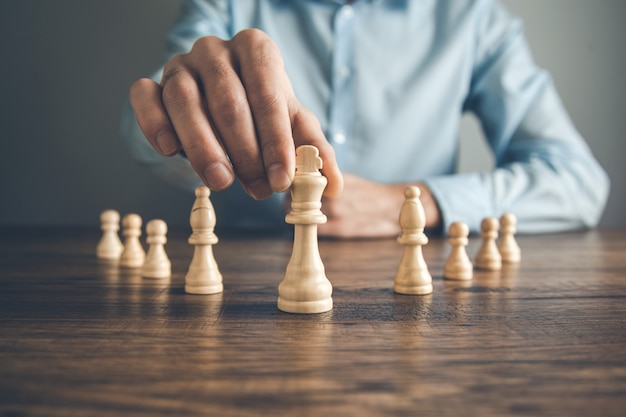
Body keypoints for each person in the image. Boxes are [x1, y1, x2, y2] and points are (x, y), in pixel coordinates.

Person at [122, 0, 609, 238]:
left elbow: (578, 183)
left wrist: (418, 204)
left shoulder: (473, 17)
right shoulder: (226, 4)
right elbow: (143, 130)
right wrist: (178, 118)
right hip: (249, 278)